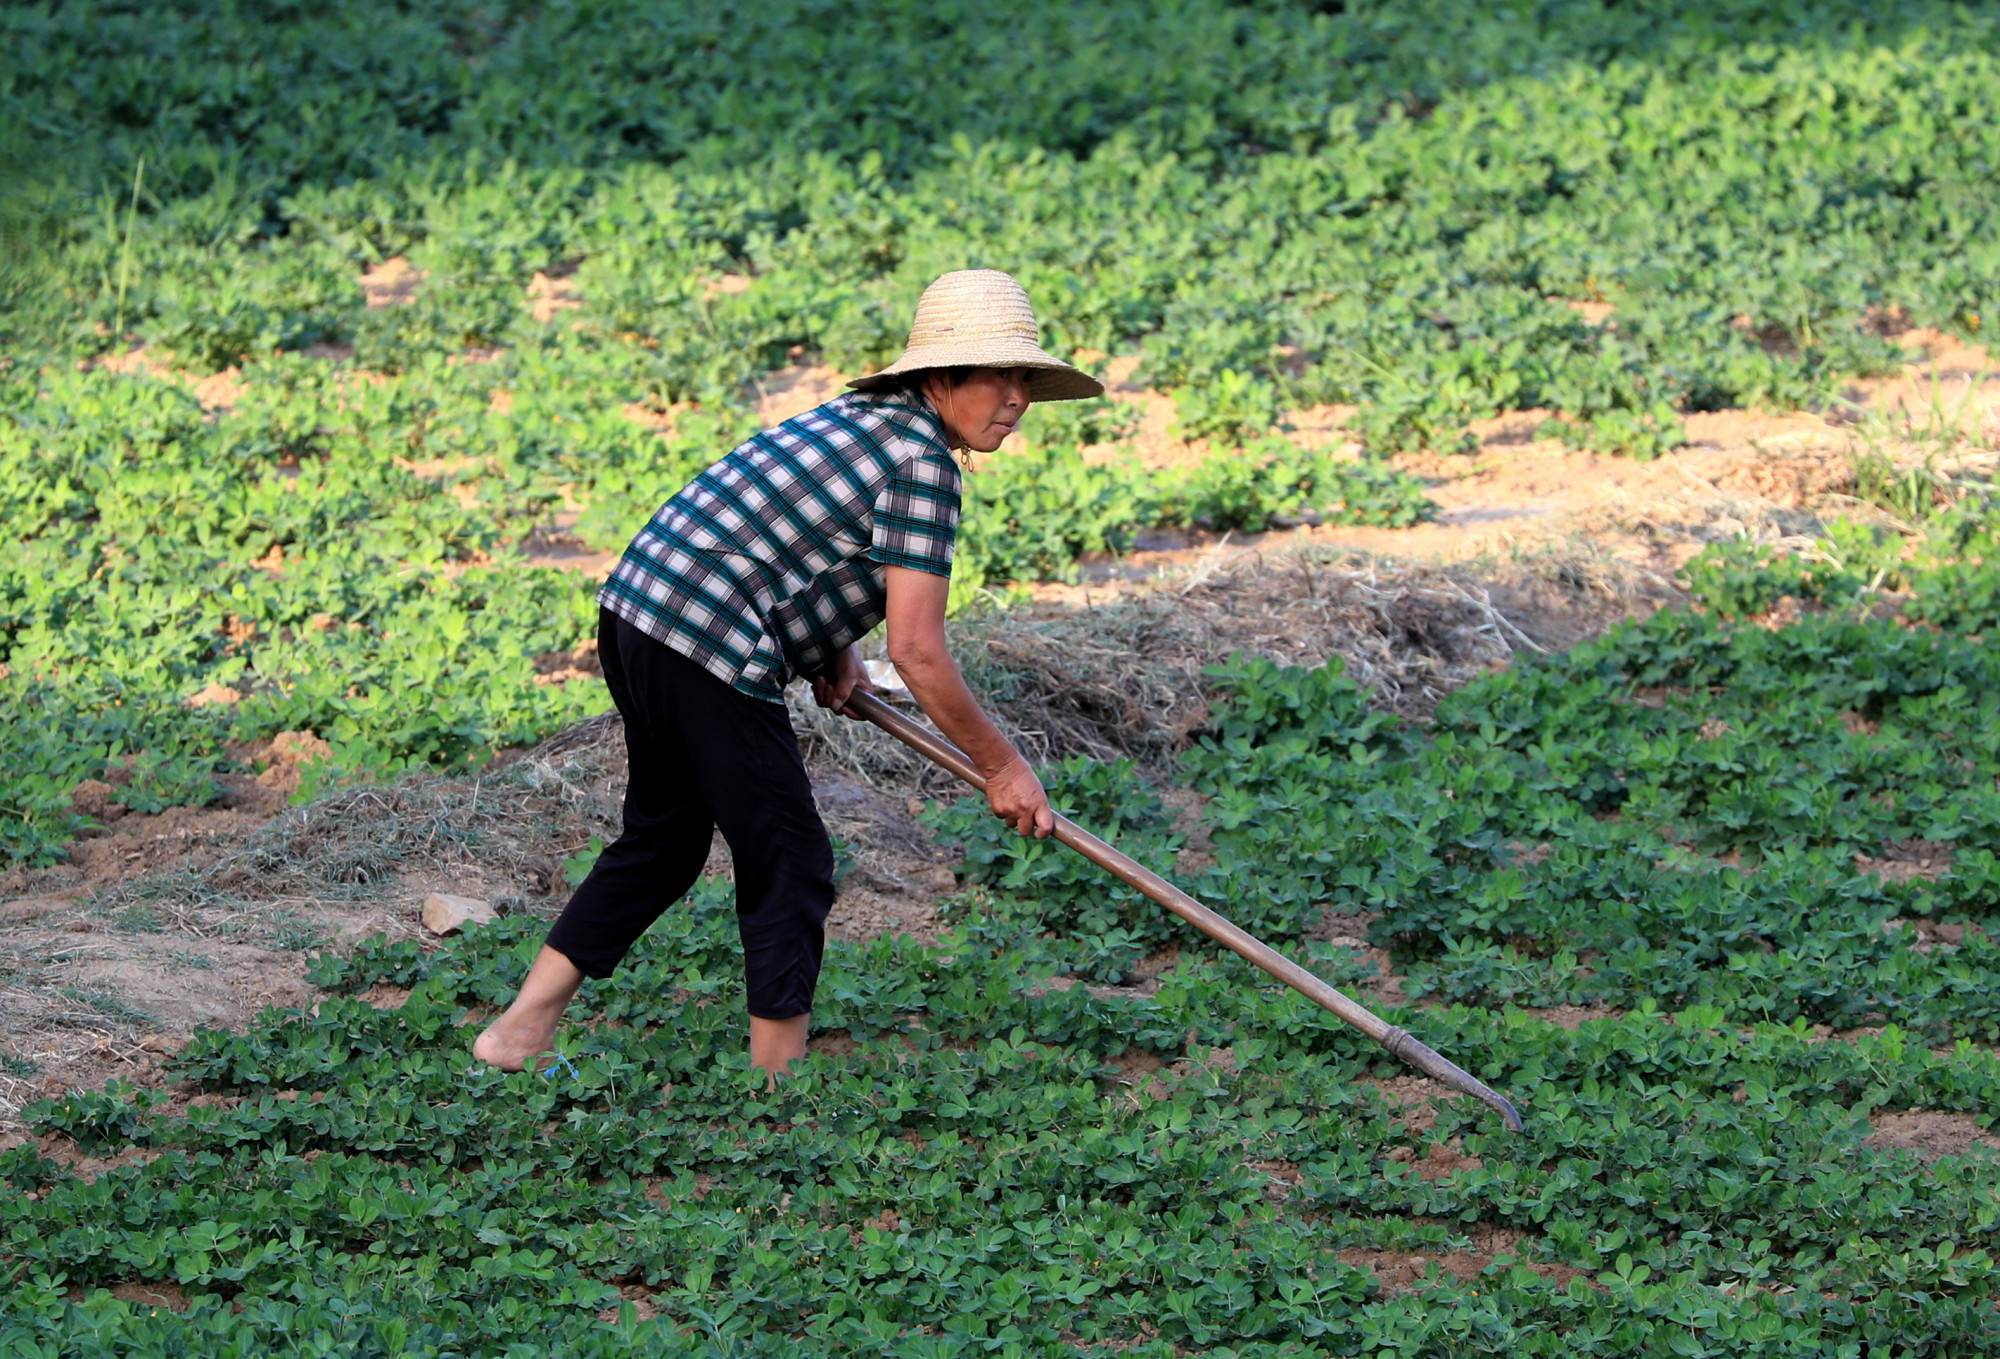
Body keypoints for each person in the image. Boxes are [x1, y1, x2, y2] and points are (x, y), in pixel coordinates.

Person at [473, 269, 1104, 1079]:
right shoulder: (924, 464)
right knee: (792, 858)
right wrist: (1002, 765)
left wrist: (829, 644)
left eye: (1026, 378)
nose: (1017, 397)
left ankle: (517, 1033)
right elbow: (918, 649)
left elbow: (799, 535)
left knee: (665, 840)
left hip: (638, 608)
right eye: (1000, 374)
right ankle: (780, 1094)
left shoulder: (864, 418)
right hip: (704, 635)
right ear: (943, 376)